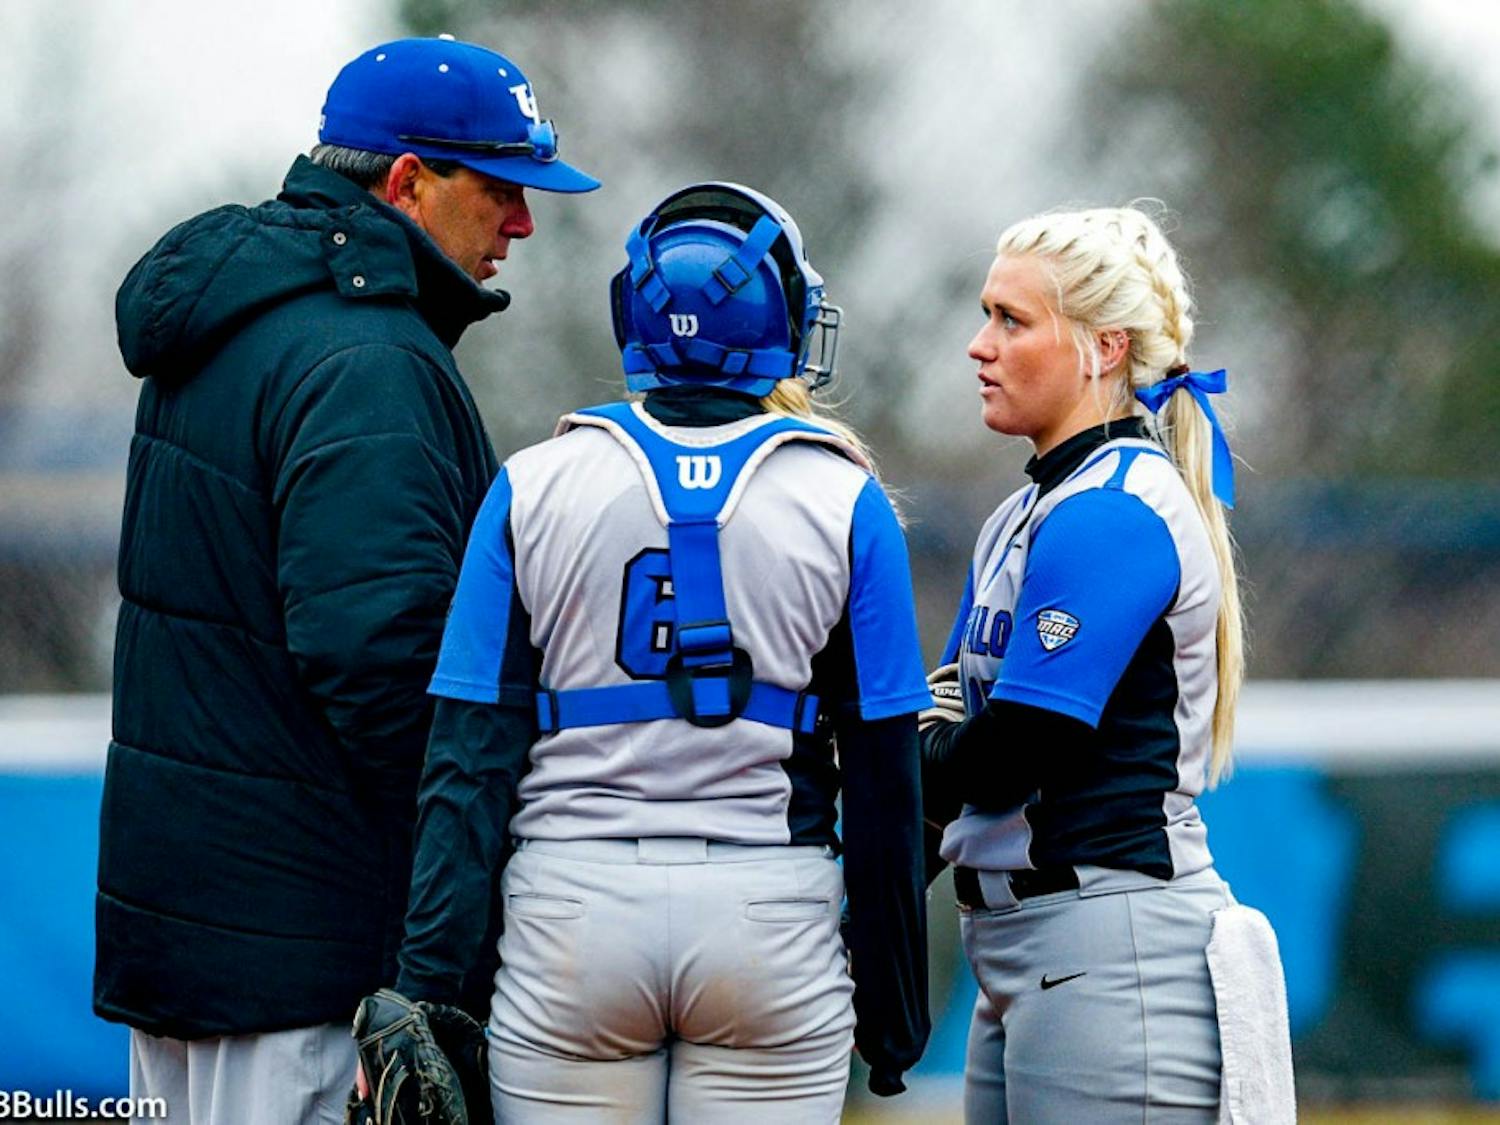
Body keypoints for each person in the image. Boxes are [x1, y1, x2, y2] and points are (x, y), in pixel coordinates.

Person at [94, 36, 598, 1125]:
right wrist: (462, 912)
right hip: (311, 963)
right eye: (503, 187)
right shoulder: (365, 353)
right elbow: (387, 664)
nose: (523, 222)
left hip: (207, 939)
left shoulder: (246, 319)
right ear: (409, 180)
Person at [381, 182, 933, 1122]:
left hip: (573, 910)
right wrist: (892, 1013)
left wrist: (431, 987)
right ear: (778, 316)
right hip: (766, 912)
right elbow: (886, 782)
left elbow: (467, 765)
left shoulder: (532, 482)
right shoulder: (846, 496)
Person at [921, 204, 1256, 1122]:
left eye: (1012, 319)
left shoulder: (1113, 506)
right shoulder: (1026, 511)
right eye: (988, 313)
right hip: (1034, 943)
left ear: (1104, 348)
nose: (980, 345)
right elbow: (945, 725)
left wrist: (910, 749)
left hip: (1112, 946)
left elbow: (1017, 744)